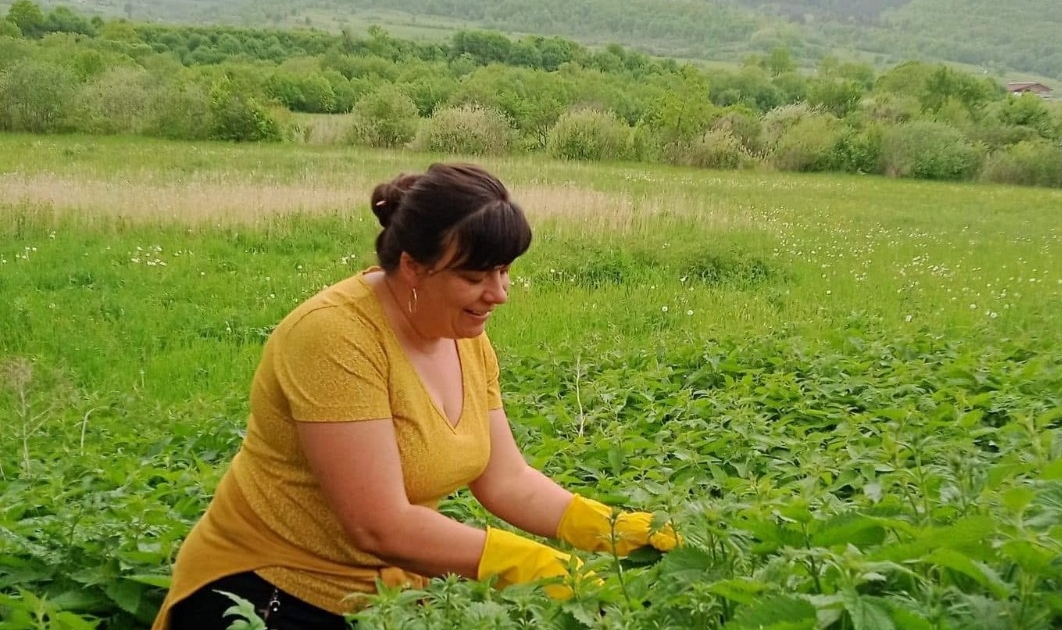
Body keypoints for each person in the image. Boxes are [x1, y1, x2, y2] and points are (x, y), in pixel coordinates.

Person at [151, 163, 679, 630]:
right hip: (271, 593)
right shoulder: (333, 337)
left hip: (388, 597)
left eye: (504, 271)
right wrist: (528, 563)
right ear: (413, 267)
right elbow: (378, 524)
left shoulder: (461, 332)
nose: (499, 293)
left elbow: (506, 479)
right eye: (475, 276)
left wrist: (607, 527)